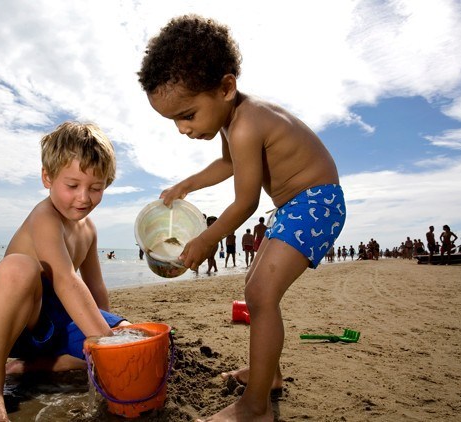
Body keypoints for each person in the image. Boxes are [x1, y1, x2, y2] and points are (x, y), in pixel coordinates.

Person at [138, 15, 345, 421]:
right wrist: (188, 185)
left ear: (226, 87)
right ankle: (269, 376)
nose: (182, 128)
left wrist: (206, 239)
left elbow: (246, 202)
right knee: (254, 288)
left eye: (188, 114)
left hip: (316, 204)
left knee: (262, 296)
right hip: (297, 205)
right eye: (174, 121)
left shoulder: (248, 124)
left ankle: (255, 407)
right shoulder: (234, 120)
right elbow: (229, 164)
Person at [0, 122, 130, 421]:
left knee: (127, 331)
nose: (84, 197)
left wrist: (109, 336)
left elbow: (95, 287)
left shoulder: (89, 229)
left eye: (96, 187)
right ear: (47, 178)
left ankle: (39, 365)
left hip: (55, 320)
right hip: (9, 320)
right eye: (72, 185)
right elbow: (66, 280)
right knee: (19, 266)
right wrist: (104, 346)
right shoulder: (45, 216)